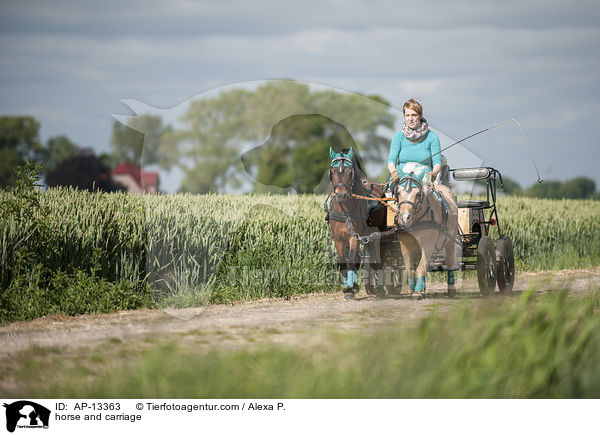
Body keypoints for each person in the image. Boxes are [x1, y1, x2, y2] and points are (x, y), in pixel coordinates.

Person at [387, 99, 442, 184]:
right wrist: (394, 172)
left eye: (414, 115)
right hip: (401, 176)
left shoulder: (432, 137)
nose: (410, 119)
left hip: (425, 177)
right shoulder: (398, 137)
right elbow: (391, 160)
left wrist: (434, 173)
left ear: (420, 116)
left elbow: (437, 162)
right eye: (407, 115)